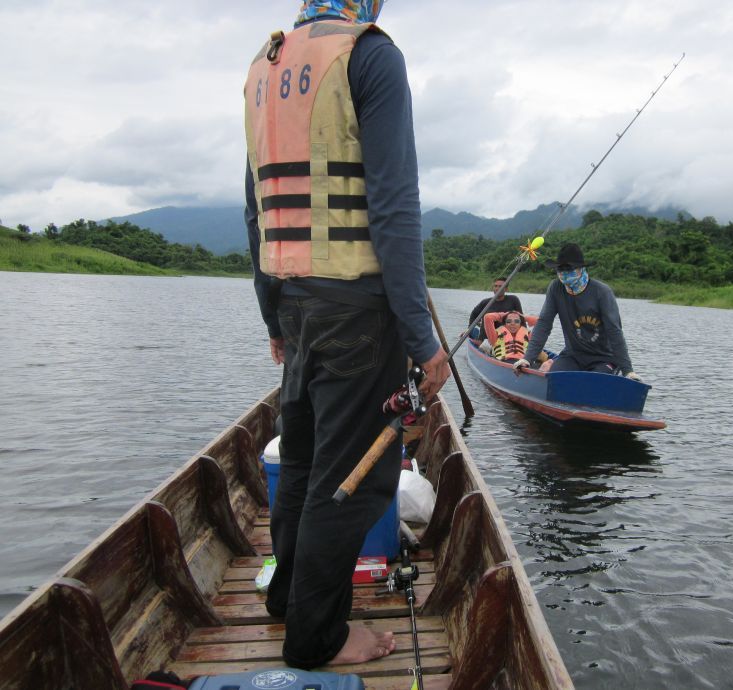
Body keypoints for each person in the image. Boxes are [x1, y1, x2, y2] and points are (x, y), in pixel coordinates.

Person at [243, 0, 450, 670]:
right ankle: (318, 638)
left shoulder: (267, 66)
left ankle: (286, 598)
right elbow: (394, 206)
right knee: (352, 483)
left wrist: (273, 314)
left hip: (295, 302)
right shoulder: (371, 54)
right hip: (360, 310)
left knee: (302, 465)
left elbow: (256, 207)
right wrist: (421, 338)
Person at [513, 243, 642, 380]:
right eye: (560, 269)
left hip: (604, 358)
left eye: (569, 269)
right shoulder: (556, 288)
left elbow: (614, 331)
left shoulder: (602, 292)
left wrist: (628, 370)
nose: (564, 274)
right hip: (572, 356)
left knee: (594, 382)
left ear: (581, 269)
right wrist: (528, 358)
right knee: (554, 379)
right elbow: (544, 323)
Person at [468, 276, 523, 341]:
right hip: (485, 340)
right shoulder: (485, 302)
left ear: (506, 289)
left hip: (505, 339)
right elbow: (474, 314)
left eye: (500, 286)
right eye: (495, 286)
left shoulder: (513, 300)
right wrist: (469, 330)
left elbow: (521, 319)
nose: (497, 288)